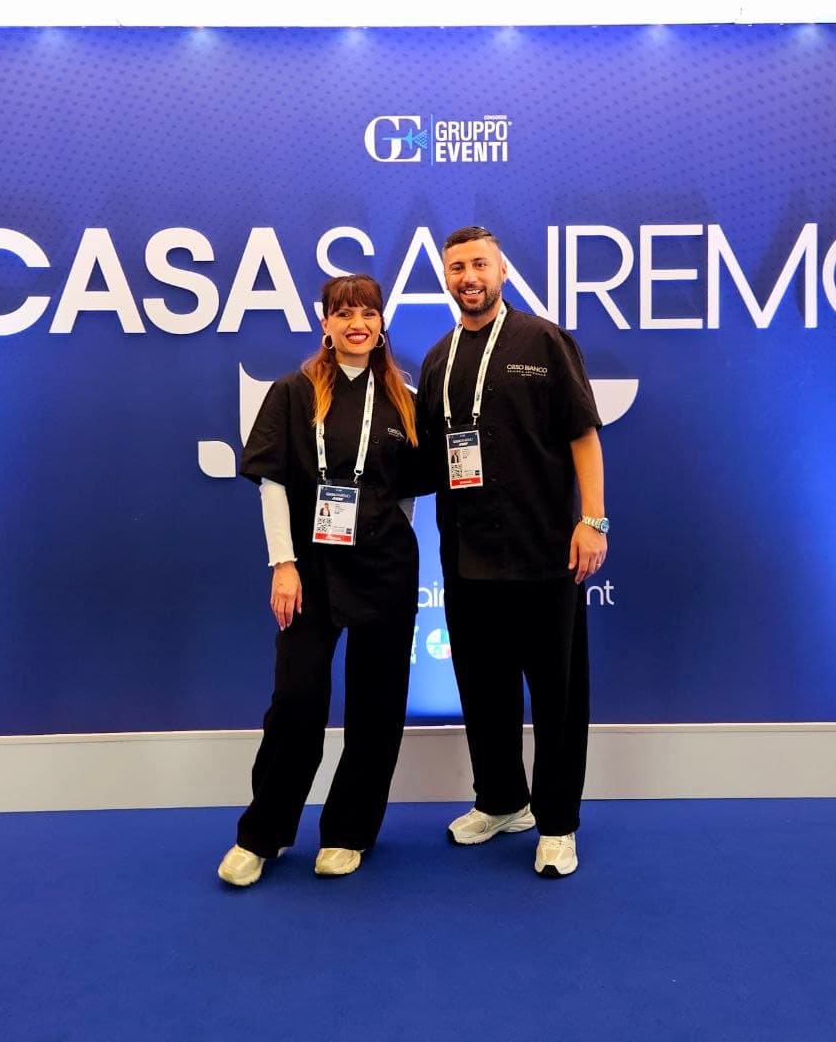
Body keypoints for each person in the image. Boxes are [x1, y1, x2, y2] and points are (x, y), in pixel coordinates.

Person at [416, 226, 608, 879]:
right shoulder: (438, 360)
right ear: (446, 278)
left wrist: (594, 520)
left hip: (546, 553)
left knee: (556, 696)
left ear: (500, 271)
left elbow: (583, 433)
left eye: (478, 264)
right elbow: (428, 462)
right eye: (456, 266)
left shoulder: (543, 341)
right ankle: (501, 802)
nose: (468, 275)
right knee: (484, 688)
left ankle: (557, 824)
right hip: (466, 559)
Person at [217, 274, 420, 885]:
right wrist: (283, 563)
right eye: (345, 312)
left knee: (377, 706)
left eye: (369, 312)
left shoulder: (404, 397)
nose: (358, 323)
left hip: (385, 570)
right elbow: (274, 483)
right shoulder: (292, 392)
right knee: (297, 701)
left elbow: (404, 495)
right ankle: (263, 835)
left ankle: (350, 832)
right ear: (325, 323)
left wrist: (383, 533)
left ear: (381, 322)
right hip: (309, 570)